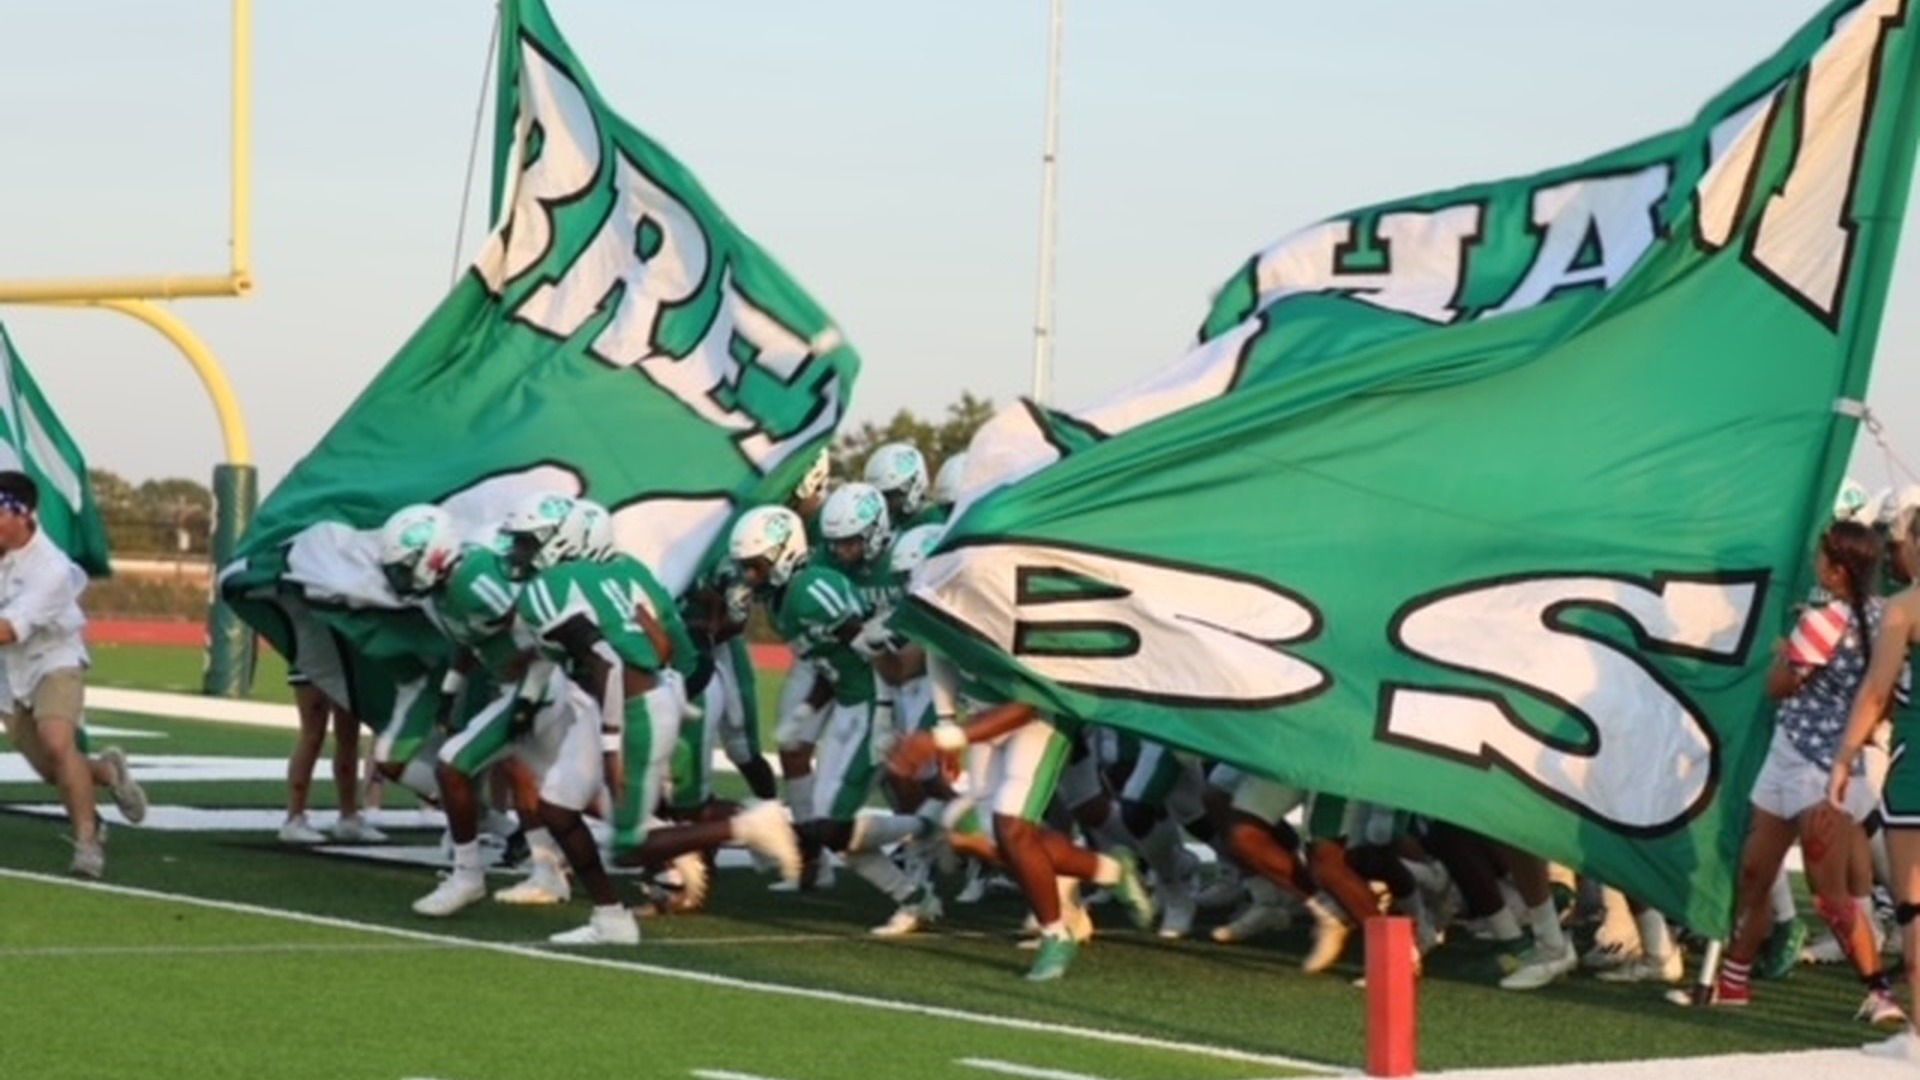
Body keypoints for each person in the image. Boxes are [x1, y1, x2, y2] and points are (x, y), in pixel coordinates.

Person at [1713, 520, 1903, 1027]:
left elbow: (1778, 688)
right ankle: (1733, 980)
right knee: (1763, 874)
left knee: (1818, 890)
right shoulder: (1888, 617)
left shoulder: (1821, 623)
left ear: (1836, 569)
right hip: (1826, 760)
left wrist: (1784, 653)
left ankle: (1879, 989)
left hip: (1811, 763)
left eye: (1823, 559)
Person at [0, 469, 145, 877]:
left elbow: (10, 629)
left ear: (22, 514)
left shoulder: (51, 569)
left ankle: (87, 841)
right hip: (8, 675)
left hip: (52, 659)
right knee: (53, 769)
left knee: (58, 741)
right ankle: (107, 772)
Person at [1832, 504, 1920, 1061]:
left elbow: (1874, 692)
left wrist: (1843, 756)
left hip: (1917, 767)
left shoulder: (1904, 607)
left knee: (1914, 907)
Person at [280, 668, 385, 844]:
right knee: (313, 734)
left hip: (343, 660)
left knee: (349, 734)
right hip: (311, 660)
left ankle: (348, 815)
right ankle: (294, 816)